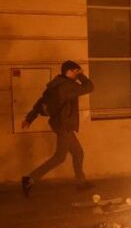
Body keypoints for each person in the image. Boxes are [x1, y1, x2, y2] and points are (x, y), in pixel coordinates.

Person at [21, 61, 96, 197]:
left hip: (60, 124)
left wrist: (29, 118)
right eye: (76, 71)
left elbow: (41, 101)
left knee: (78, 152)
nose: (78, 74)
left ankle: (81, 182)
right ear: (70, 71)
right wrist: (82, 76)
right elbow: (89, 87)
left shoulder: (56, 84)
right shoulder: (68, 86)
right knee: (59, 157)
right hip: (64, 125)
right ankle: (30, 179)